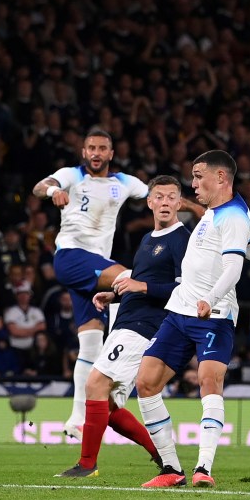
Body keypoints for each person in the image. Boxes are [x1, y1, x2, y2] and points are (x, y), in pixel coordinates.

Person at [135, 150, 250, 489]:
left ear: (221, 178)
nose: (192, 183)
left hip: (213, 317)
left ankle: (203, 468)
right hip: (180, 313)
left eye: (198, 176)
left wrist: (216, 301)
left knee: (209, 382)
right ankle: (170, 468)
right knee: (146, 382)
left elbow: (235, 268)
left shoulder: (234, 219)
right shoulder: (216, 214)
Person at [56, 175, 191, 477]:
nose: (165, 202)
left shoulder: (182, 239)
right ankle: (161, 456)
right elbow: (139, 281)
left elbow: (185, 289)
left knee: (95, 383)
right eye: (160, 196)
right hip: (127, 319)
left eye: (172, 197)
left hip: (145, 325)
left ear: (180, 204)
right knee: (107, 403)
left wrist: (140, 286)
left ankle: (87, 464)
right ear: (150, 202)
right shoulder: (148, 239)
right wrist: (114, 292)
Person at [31, 129, 149, 440]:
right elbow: (40, 185)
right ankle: (122, 384)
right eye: (91, 148)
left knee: (90, 344)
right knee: (129, 281)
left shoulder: (123, 183)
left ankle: (75, 421)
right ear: (84, 152)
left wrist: (193, 208)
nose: (96, 153)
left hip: (93, 272)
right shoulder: (71, 175)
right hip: (72, 256)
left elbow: (159, 194)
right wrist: (52, 192)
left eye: (102, 148)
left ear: (111, 153)